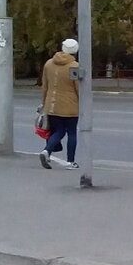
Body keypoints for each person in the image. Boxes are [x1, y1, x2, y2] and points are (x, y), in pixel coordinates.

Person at [39, 38, 81, 170]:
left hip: (52, 105)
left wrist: (44, 103)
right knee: (72, 133)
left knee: (57, 131)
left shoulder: (49, 64)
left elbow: (45, 86)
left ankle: (47, 151)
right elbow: (78, 88)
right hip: (70, 106)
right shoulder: (75, 66)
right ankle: (70, 162)